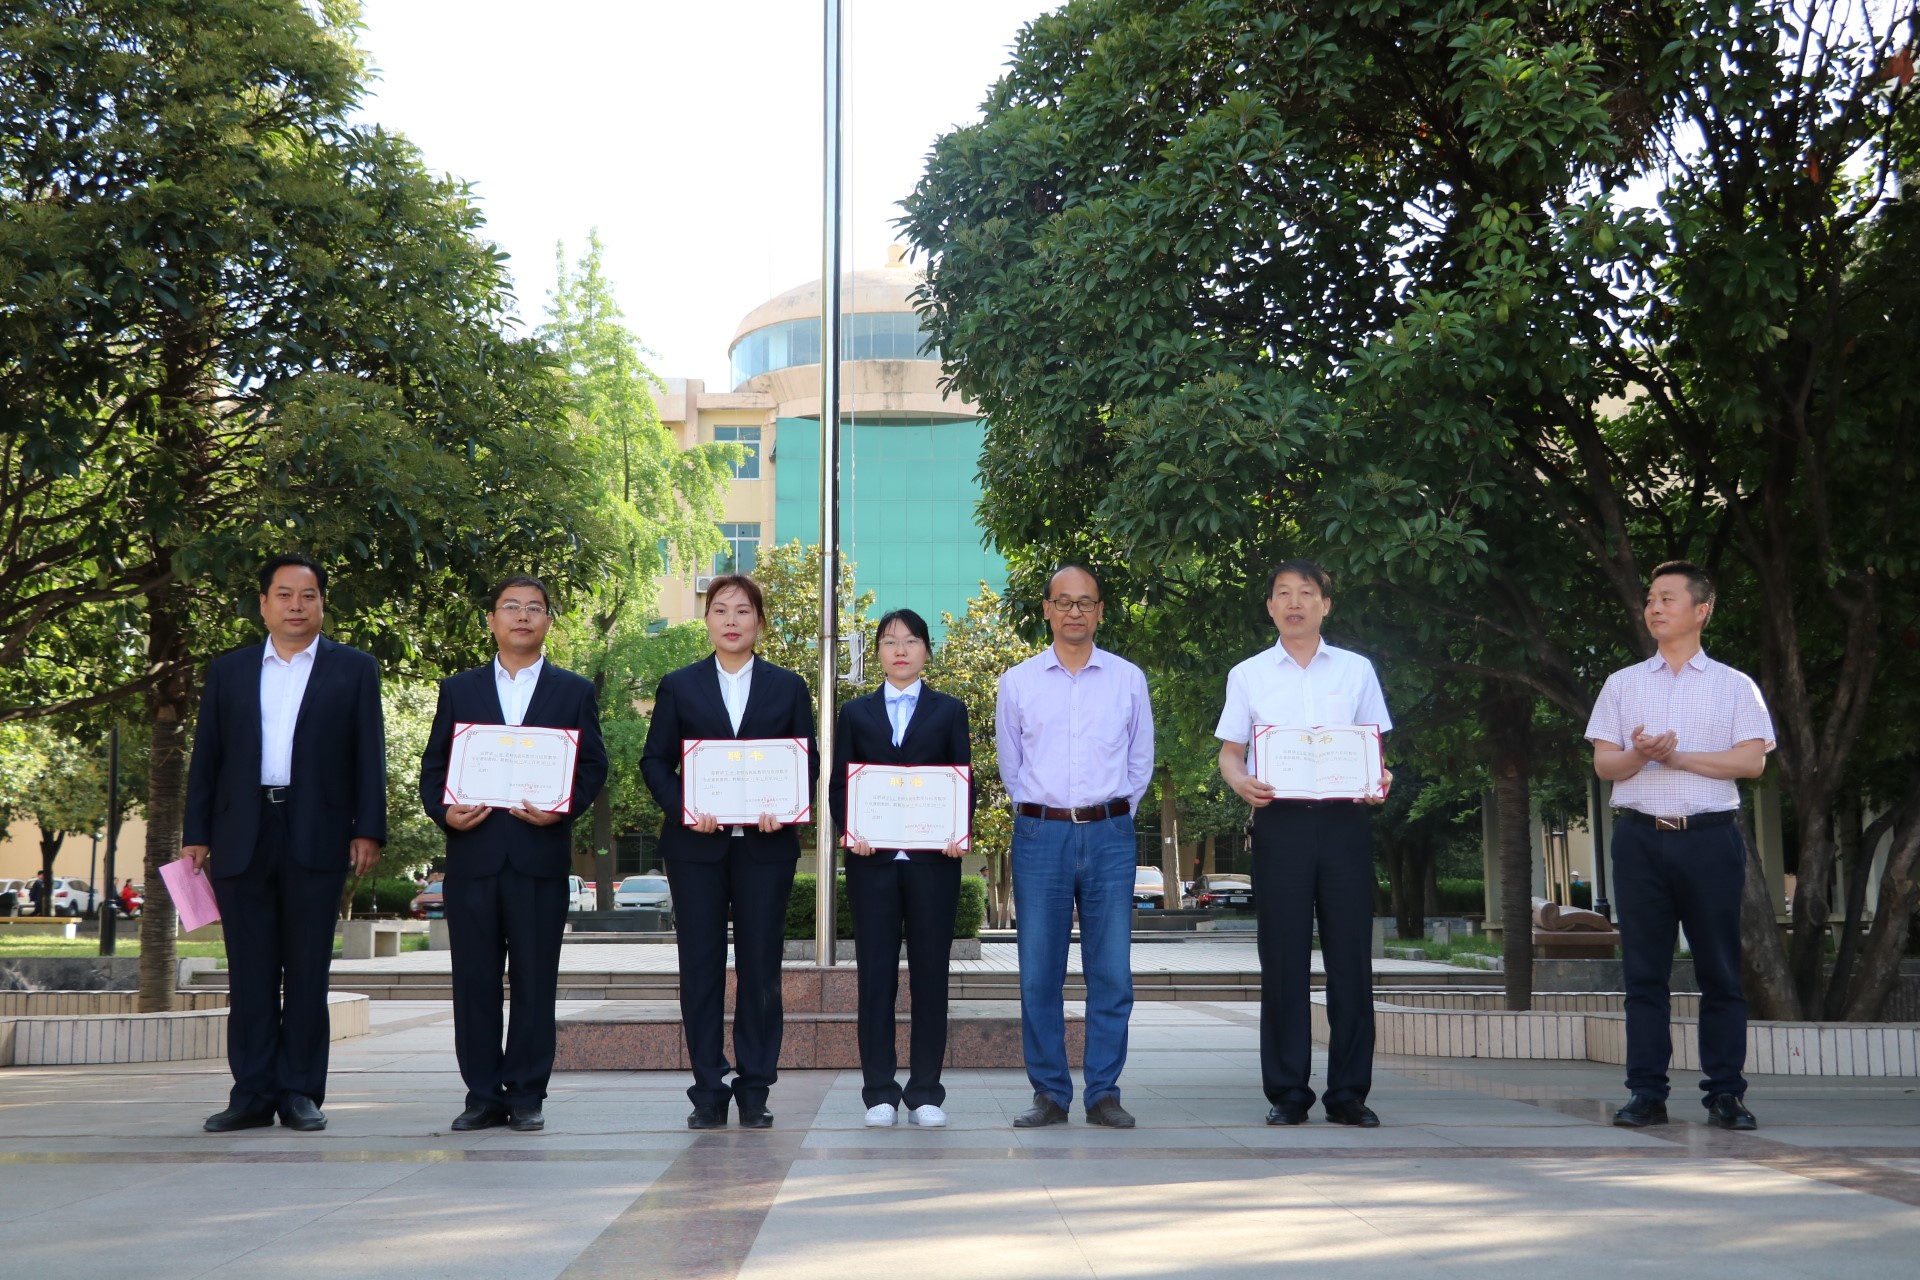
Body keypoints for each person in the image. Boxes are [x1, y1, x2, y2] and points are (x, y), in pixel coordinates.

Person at [180, 553, 385, 1133]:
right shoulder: (230, 671)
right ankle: (249, 1093)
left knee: (306, 970)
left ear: (322, 603)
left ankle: (299, 1091)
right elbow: (207, 760)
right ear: (264, 603)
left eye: (309, 595)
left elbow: (370, 755)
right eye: (285, 595)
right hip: (240, 833)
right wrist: (197, 835)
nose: (297, 605)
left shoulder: (354, 669)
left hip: (317, 832)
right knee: (248, 971)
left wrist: (368, 828)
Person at [1586, 560, 1774, 1131]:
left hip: (1710, 838)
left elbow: (1752, 761)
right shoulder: (1623, 683)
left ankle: (1725, 1094)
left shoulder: (1734, 684)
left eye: (1668, 597)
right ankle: (1646, 1092)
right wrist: (1642, 754)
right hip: (1640, 839)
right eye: (1650, 598)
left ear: (1702, 610)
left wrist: (1678, 756)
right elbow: (1603, 764)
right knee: (1644, 974)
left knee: (1719, 970)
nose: (1655, 607)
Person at [418, 575, 608, 1134]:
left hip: (538, 857)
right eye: (510, 607)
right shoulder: (460, 688)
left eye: (535, 608)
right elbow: (434, 768)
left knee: (534, 980)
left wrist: (562, 808)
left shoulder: (573, 691)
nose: (522, 616)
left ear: (549, 621)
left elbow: (593, 766)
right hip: (473, 857)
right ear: (492, 620)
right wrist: (443, 811)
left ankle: (526, 1094)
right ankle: (481, 1094)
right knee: (473, 981)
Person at [1216, 561, 1393, 1127]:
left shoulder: (1356, 671)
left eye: (1307, 593)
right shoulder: (1248, 674)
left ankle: (1349, 1094)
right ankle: (1288, 1092)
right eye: (1283, 594)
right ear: (1269, 607)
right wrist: (1241, 782)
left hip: (1344, 823)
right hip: (1280, 824)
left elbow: (1374, 749)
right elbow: (1230, 752)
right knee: (1284, 961)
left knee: (1350, 961)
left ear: (1325, 604)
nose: (1295, 603)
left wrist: (1380, 780)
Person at [639, 574, 817, 1130]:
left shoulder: (788, 687)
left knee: (762, 970)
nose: (732, 620)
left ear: (760, 621)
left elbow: (804, 763)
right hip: (697, 849)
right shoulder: (679, 685)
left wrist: (784, 806)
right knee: (700, 969)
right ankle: (708, 1088)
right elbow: (654, 762)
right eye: (720, 610)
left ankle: (756, 1087)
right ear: (707, 620)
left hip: (765, 848)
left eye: (744, 610)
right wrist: (687, 807)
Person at [997, 564, 1154, 1129]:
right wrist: (1049, 812)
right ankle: (1050, 1094)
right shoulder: (1018, 681)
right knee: (1039, 971)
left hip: (1110, 834)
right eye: (1063, 602)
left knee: (1111, 970)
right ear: (1046, 609)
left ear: (1100, 611)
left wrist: (1109, 814)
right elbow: (1012, 766)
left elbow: (1140, 763)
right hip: (1041, 834)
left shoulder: (1128, 679)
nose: (1074, 612)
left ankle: (1104, 1092)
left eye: (1085, 602)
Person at [828, 608, 974, 1129]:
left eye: (911, 641)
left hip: (935, 865)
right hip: (873, 866)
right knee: (876, 978)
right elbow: (841, 785)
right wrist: (851, 830)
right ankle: (880, 1093)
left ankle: (926, 1091)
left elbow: (963, 780)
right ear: (879, 653)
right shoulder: (856, 713)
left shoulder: (949, 710)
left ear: (927, 650)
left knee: (932, 975)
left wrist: (959, 831)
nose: (901, 650)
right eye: (890, 641)